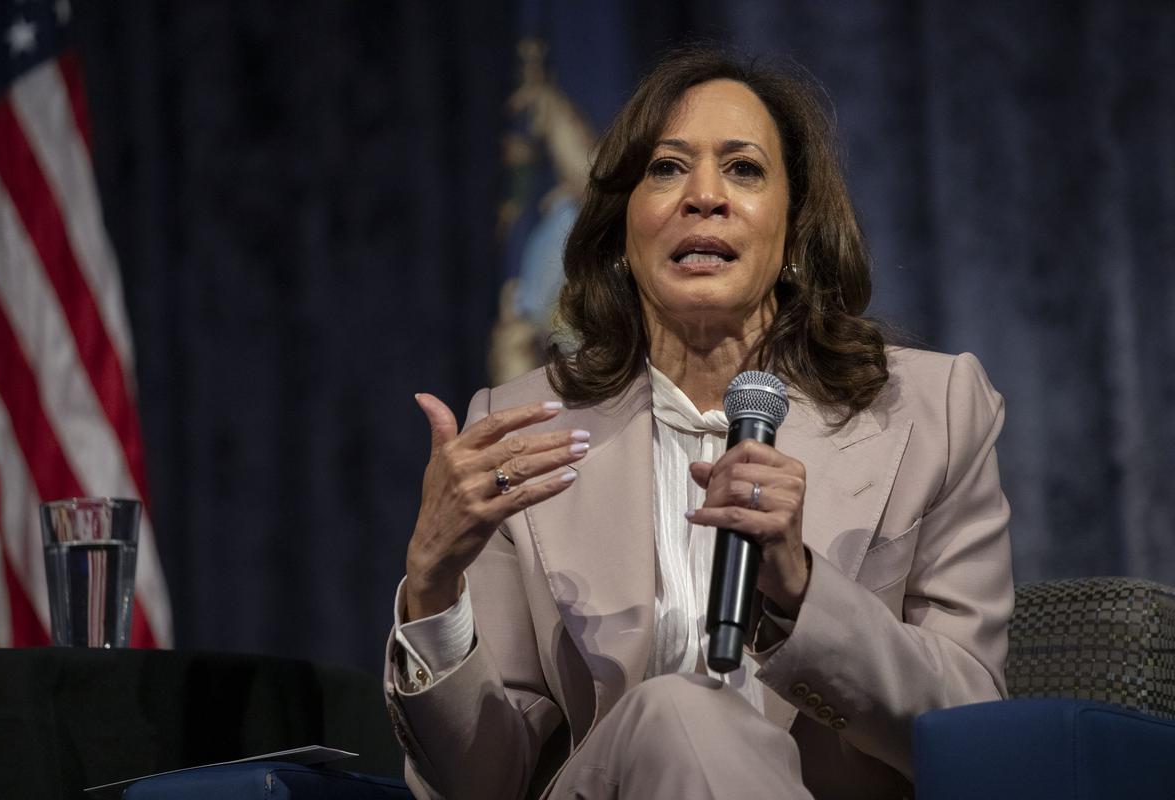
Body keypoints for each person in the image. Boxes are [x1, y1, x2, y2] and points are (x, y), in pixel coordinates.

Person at [384, 45, 1013, 800]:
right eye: (667, 168)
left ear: (793, 227)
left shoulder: (934, 409)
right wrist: (432, 589)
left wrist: (802, 593)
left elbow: (974, 733)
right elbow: (482, 784)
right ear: (623, 229)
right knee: (682, 709)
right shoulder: (521, 429)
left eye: (744, 169)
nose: (704, 196)